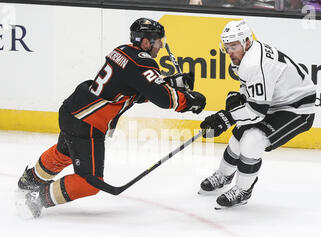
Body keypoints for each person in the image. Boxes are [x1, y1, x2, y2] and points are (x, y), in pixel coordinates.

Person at [18, 17, 206, 218]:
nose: (160, 46)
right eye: (158, 41)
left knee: (64, 152)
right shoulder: (143, 63)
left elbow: (134, 90)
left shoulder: (123, 51)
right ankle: (37, 199)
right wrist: (189, 100)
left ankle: (29, 180)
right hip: (87, 124)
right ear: (145, 42)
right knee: (89, 182)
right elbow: (163, 99)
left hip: (72, 110)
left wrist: (170, 82)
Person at [199, 19, 316, 208]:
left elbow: (256, 111)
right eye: (226, 46)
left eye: (234, 46)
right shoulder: (246, 54)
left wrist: (226, 117)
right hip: (276, 102)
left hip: (298, 109)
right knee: (239, 134)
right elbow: (254, 94)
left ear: (246, 41)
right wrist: (240, 97)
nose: (229, 52)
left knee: (252, 140)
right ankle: (224, 175)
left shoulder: (254, 63)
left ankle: (243, 190)